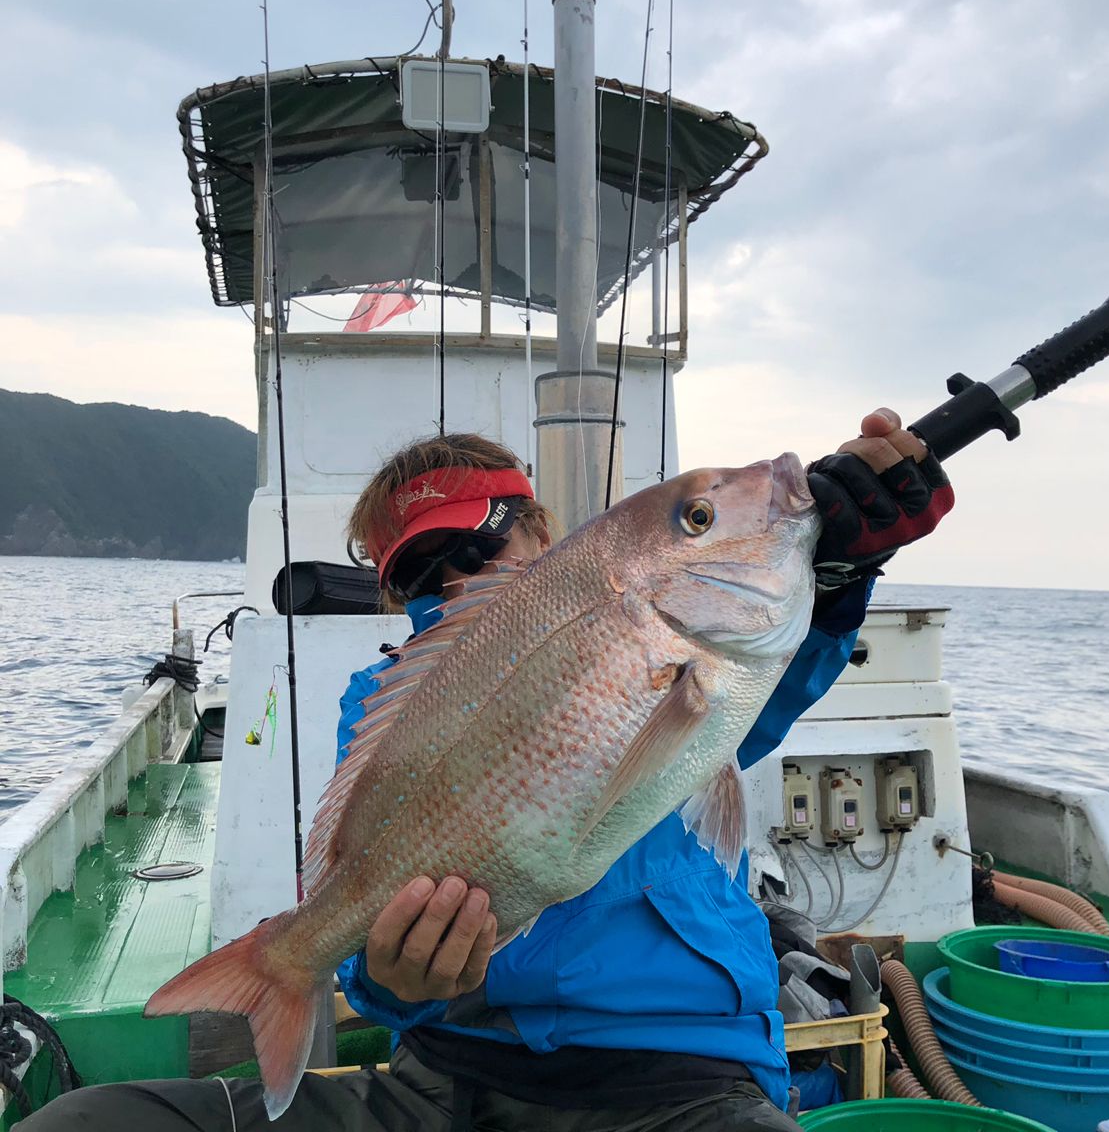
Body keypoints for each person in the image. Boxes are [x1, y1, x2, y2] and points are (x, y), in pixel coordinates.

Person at [23, 409, 952, 1131]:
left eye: (480, 542)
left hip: (681, 1078)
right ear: (393, 591)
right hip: (451, 1078)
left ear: (543, 532)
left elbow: (759, 691)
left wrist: (837, 580)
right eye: (425, 566)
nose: (459, 577)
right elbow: (372, 925)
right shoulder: (381, 700)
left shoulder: (680, 662)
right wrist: (393, 981)